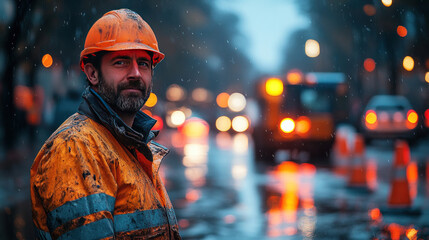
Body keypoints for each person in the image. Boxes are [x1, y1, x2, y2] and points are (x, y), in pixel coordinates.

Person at [30, 9, 181, 239]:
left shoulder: (133, 146)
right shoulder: (75, 148)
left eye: (143, 63)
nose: (135, 74)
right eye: (120, 62)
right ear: (92, 73)